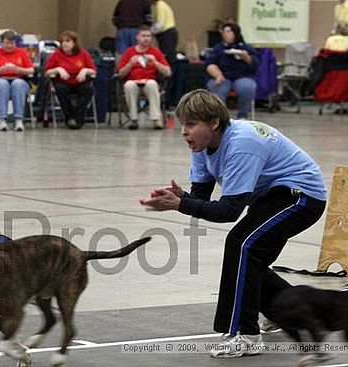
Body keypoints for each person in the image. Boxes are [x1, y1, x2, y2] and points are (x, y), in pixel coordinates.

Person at [140, 89, 327, 358]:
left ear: (214, 123)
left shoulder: (242, 143)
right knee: (252, 263)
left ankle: (245, 334)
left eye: (191, 124)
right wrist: (181, 198)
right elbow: (202, 199)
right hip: (272, 195)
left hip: (302, 196)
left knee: (242, 246)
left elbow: (229, 211)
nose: (184, 132)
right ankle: (298, 312)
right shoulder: (201, 147)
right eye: (182, 124)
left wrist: (180, 204)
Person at [117, 25, 171, 130]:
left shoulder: (155, 52)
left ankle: (156, 119)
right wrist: (130, 63)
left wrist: (155, 62)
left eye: (148, 36)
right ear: (137, 37)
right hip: (134, 82)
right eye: (143, 36)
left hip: (149, 83)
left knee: (152, 84)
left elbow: (168, 72)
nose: (146, 38)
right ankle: (133, 119)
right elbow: (120, 74)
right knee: (129, 85)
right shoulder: (129, 52)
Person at [205, 22, 259, 120]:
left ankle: (243, 115)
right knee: (216, 87)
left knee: (247, 87)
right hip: (223, 76)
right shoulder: (218, 48)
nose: (225, 34)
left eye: (228, 31)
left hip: (242, 76)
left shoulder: (245, 47)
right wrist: (217, 74)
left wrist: (246, 58)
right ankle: (220, 116)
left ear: (235, 33)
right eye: (224, 32)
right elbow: (210, 64)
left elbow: (256, 64)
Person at [44, 30, 97, 129]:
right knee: (60, 88)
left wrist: (85, 70)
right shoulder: (56, 54)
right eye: (62, 42)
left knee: (88, 90)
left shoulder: (83, 54)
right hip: (63, 82)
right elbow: (47, 72)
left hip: (80, 82)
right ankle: (70, 117)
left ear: (74, 43)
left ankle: (75, 118)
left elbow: (93, 71)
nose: (64, 44)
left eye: (67, 41)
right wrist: (58, 69)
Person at [0, 30, 34, 132]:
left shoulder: (21, 52)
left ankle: (18, 119)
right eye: (7, 43)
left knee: (18, 84)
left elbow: (31, 70)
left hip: (18, 78)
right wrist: (0, 70)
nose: (10, 46)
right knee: (3, 84)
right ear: (1, 43)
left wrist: (18, 69)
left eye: (12, 43)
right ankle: (2, 119)